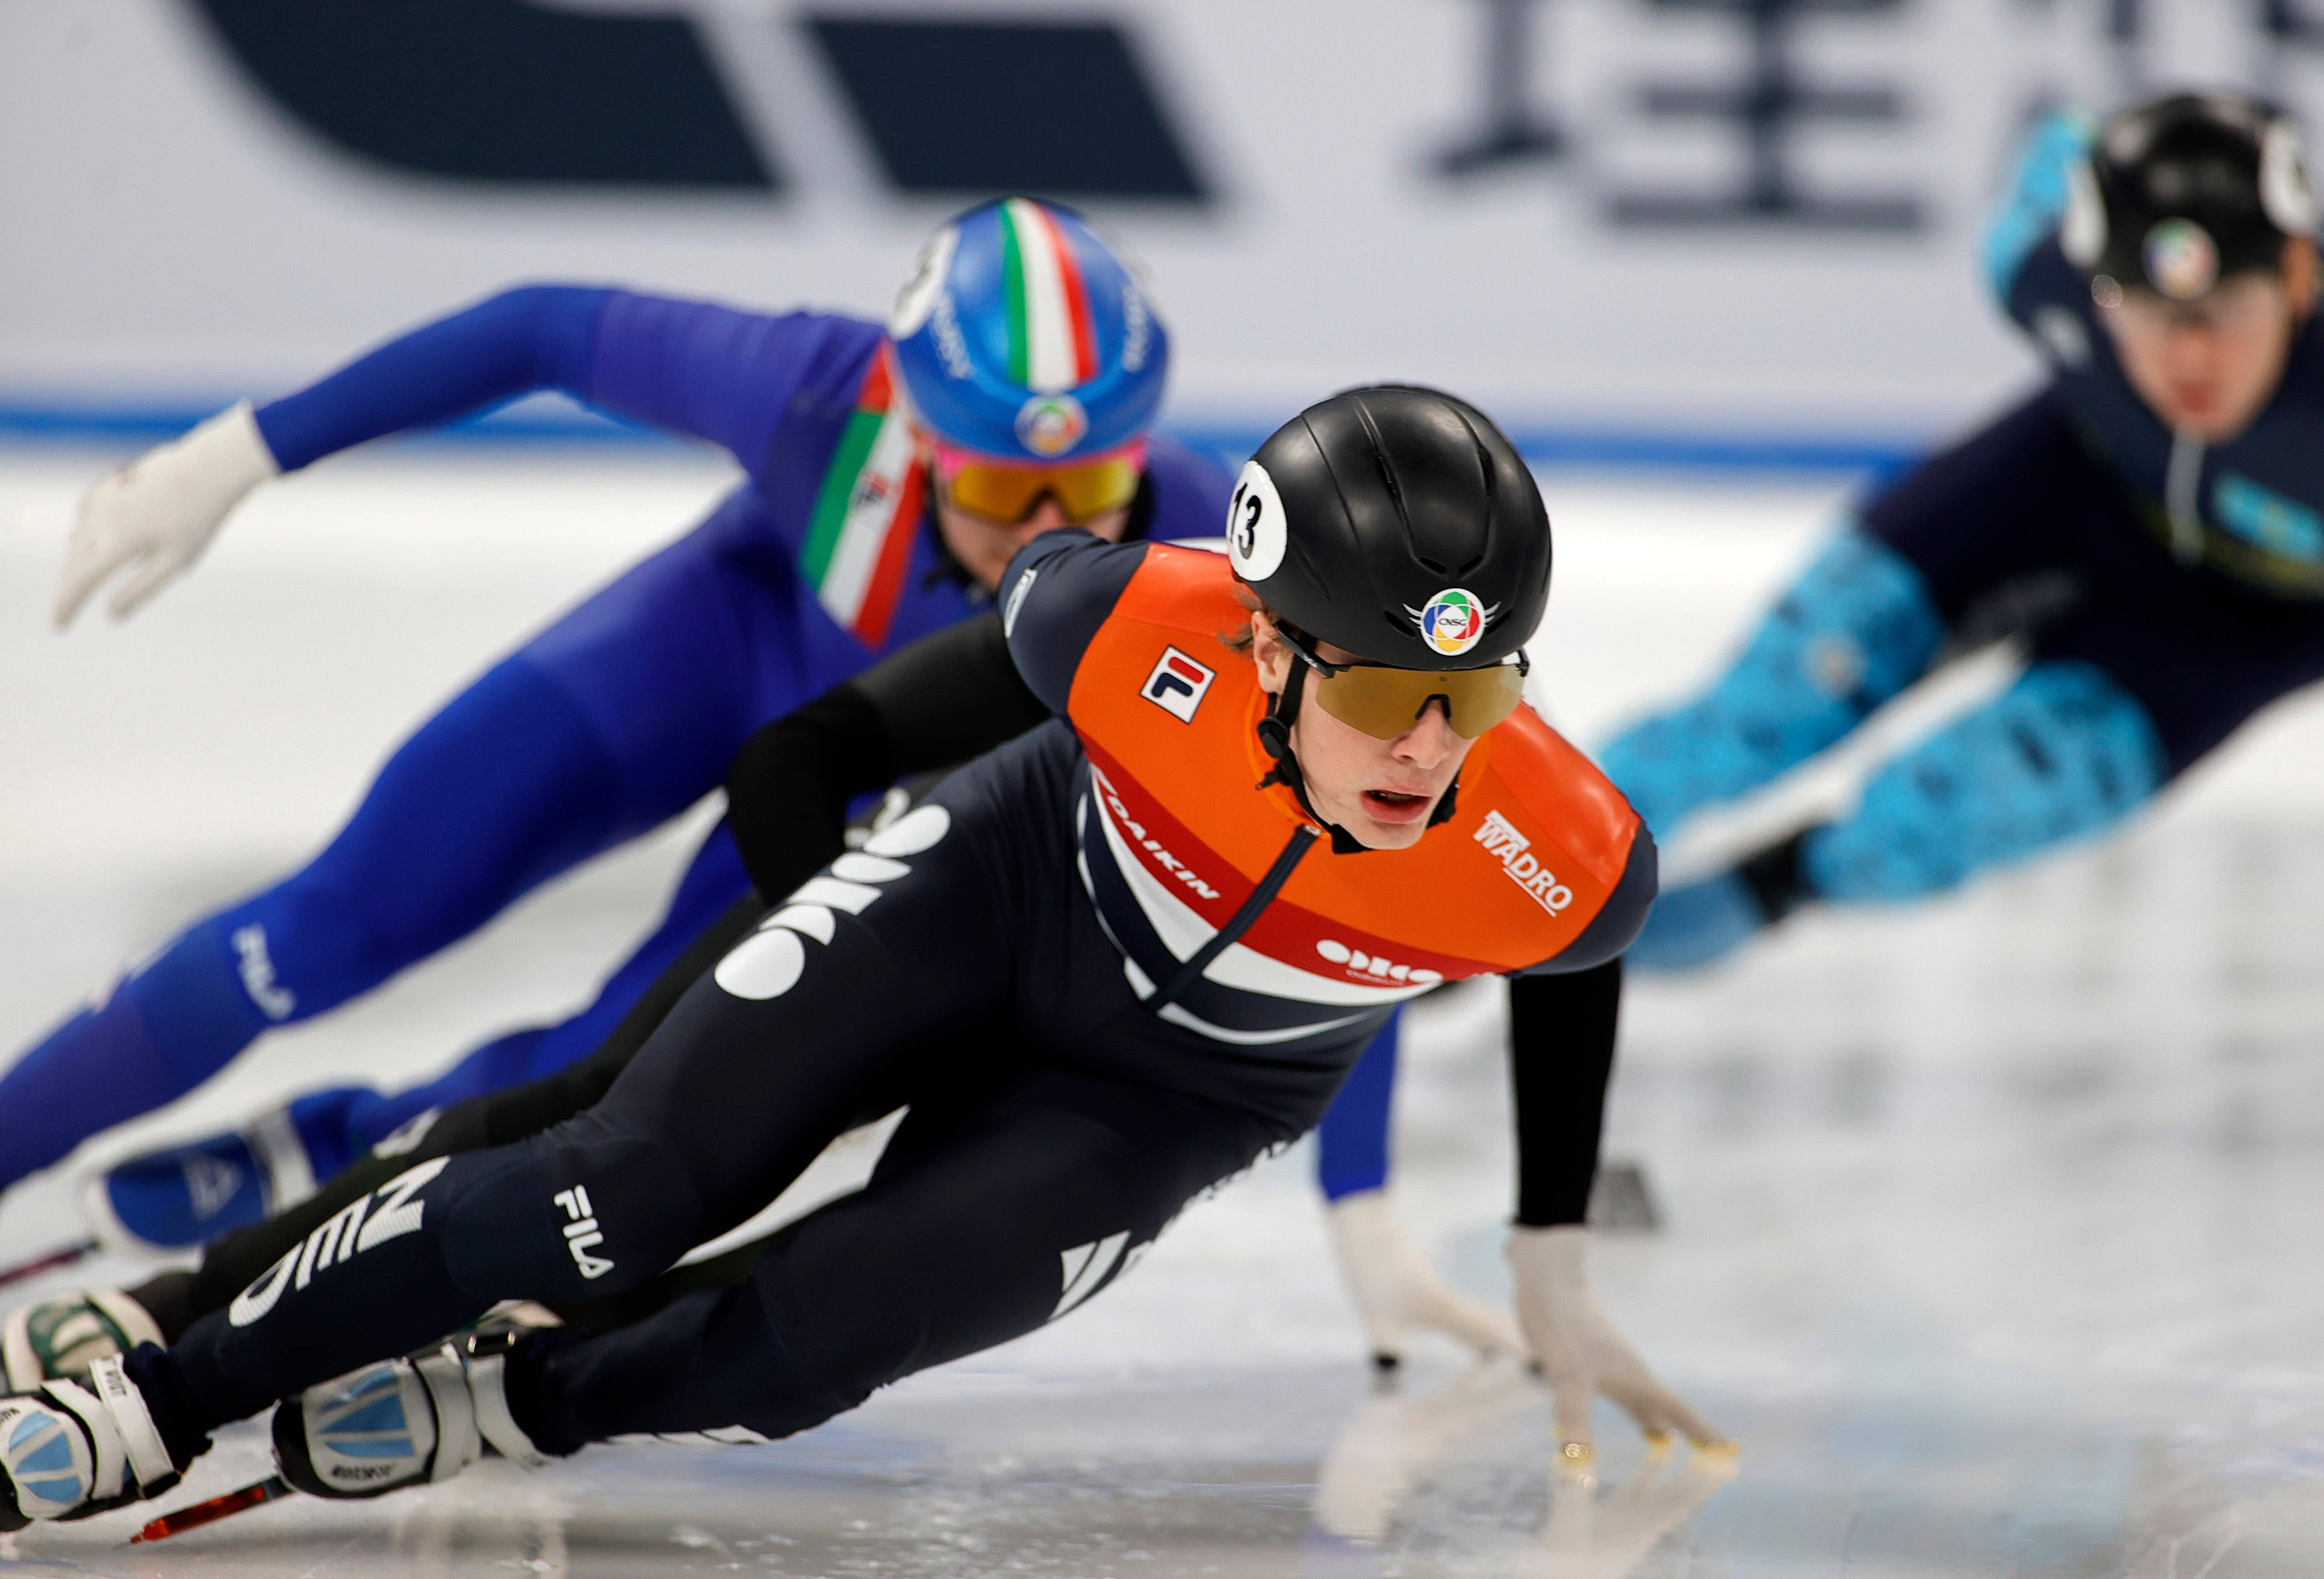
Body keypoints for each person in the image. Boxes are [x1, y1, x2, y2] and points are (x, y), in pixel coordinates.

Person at [0, 387, 1725, 1532]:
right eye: (1372, 689)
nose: (1428, 747)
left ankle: (525, 1399)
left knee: (823, 1338)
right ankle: (167, 1377)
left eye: (1481, 688)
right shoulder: (1123, 621)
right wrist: (803, 959)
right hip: (994, 894)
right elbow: (815, 748)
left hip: (1176, 1092)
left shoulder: (1557, 848)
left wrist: (1548, 1250)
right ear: (1266, 642)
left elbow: (1573, 963)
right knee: (612, 1179)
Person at [5, 197, 1224, 1233]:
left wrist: (1358, 1199)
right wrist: (236, 455)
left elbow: (1330, 848)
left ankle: (336, 1154)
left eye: (1098, 478)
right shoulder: (814, 393)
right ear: (913, 433)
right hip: (712, 643)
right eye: (1004, 484)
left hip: (857, 787)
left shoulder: (1204, 550)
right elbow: (542, 325)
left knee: (615, 1081)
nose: (1048, 526)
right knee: (329, 924)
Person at [1596, 92, 2324, 968]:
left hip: (2238, 622)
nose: (2190, 359)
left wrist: (1780, 885)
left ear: (2297, 276)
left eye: (2226, 312)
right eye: (2146, 314)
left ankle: (1784, 881)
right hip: (2071, 482)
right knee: (1778, 695)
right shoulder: (2036, 259)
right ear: (2094, 287)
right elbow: (2060, 145)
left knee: (1962, 809)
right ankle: (1491, 847)